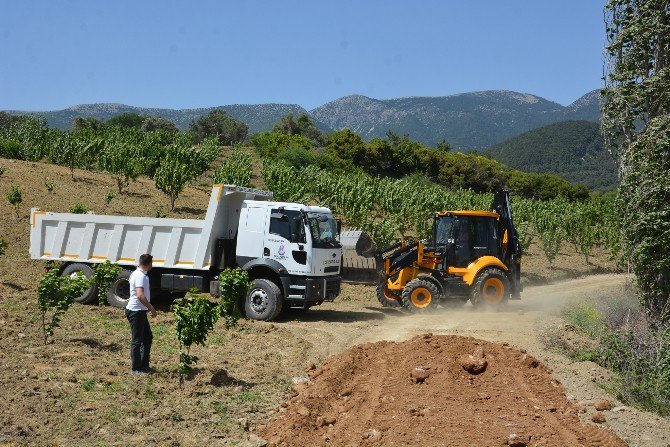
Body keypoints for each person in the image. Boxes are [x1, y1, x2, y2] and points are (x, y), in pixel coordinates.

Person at [125, 254, 156, 375]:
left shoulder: (139, 274)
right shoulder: (140, 276)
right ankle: (136, 369)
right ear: (149, 264)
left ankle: (144, 366)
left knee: (147, 337)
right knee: (137, 340)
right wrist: (151, 308)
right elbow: (140, 295)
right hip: (136, 312)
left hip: (140, 311)